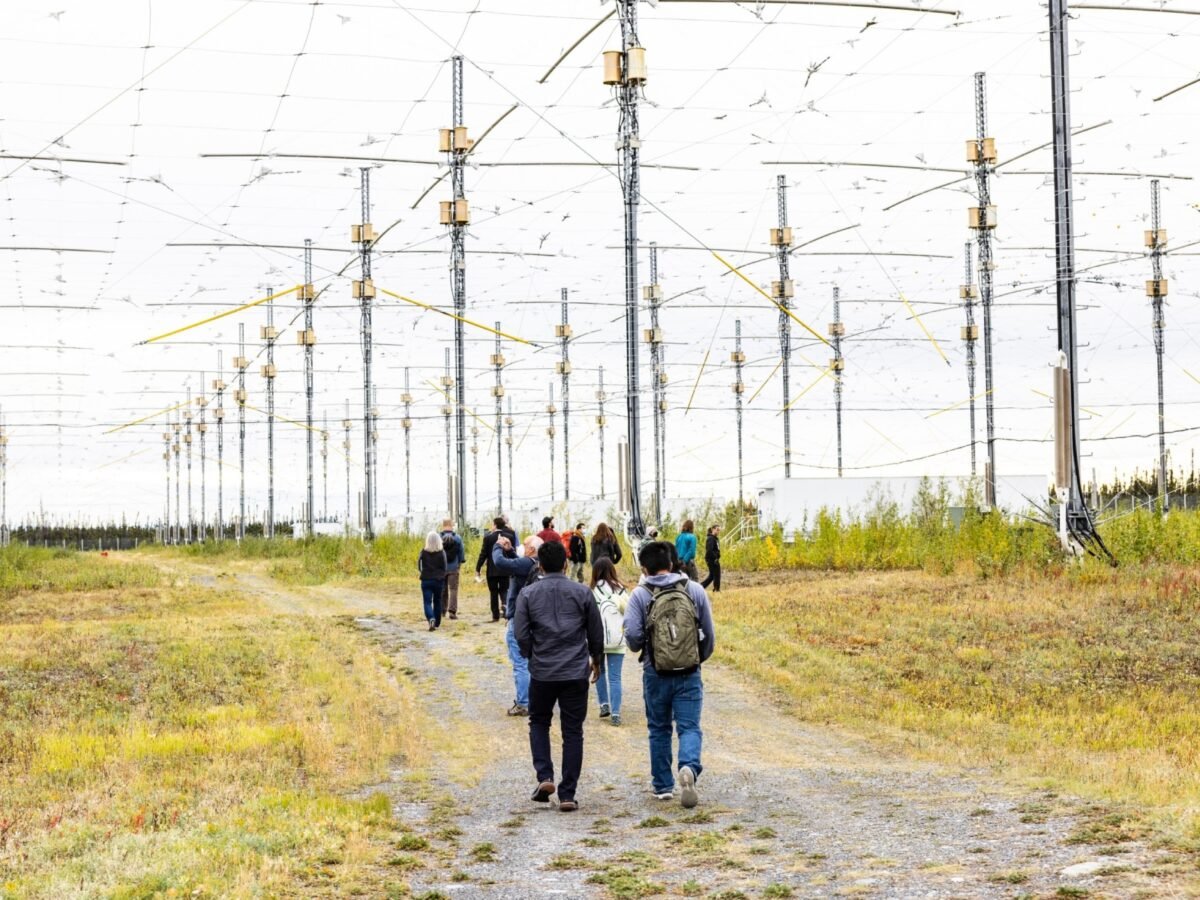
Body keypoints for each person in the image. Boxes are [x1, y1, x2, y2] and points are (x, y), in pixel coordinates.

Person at [624, 541, 715, 808]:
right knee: (689, 727)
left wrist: (642, 648)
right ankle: (688, 767)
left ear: (644, 568)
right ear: (672, 563)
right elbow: (709, 634)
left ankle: (663, 786)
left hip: (656, 672)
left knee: (659, 727)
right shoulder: (695, 590)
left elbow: (632, 635)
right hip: (689, 671)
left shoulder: (640, 595)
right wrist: (697, 658)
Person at [513, 540, 603, 812]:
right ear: (566, 563)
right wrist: (596, 660)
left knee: (539, 722)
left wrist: (532, 654)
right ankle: (568, 794)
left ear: (539, 564)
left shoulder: (528, 594)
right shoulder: (582, 593)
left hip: (542, 671)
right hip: (575, 670)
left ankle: (545, 776)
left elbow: (520, 633)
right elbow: (595, 632)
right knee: (573, 731)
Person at [492, 533, 543, 717]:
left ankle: (523, 703)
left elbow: (501, 563)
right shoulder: (535, 564)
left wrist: (497, 547)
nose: (522, 546)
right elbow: (517, 564)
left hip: (519, 620)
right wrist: (511, 550)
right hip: (532, 619)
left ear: (531, 549)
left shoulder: (527, 563)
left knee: (520, 662)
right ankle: (532, 699)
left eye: (525, 544)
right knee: (529, 661)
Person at [590, 558, 629, 725]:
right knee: (615, 677)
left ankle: (604, 704)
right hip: (617, 639)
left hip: (597, 638)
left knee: (599, 671)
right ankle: (616, 713)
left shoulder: (592, 590)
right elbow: (629, 612)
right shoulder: (620, 589)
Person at [476, 516, 517, 622]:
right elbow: (513, 551)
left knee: (493, 592)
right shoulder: (510, 536)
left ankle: (495, 615)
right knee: (504, 590)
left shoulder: (488, 537)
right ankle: (506, 608)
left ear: (495, 525)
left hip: (492, 570)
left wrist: (478, 568)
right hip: (506, 568)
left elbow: (483, 554)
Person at [417, 531, 448, 631]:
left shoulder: (423, 552)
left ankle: (431, 618)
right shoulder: (442, 552)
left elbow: (419, 566)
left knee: (427, 602)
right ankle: (437, 622)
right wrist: (442, 575)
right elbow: (445, 566)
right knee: (437, 601)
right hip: (438, 580)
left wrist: (423, 572)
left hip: (426, 579)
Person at [439, 519, 466, 620]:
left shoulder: (439, 537)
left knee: (442, 589)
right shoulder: (457, 538)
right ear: (451, 525)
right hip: (454, 567)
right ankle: (452, 612)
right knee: (453, 589)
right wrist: (460, 563)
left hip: (441, 567)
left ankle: (442, 611)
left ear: (443, 525)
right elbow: (461, 553)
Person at [700, 524, 721, 592]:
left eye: (719, 530)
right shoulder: (710, 538)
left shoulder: (715, 539)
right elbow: (709, 550)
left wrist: (718, 555)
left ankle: (701, 587)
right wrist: (715, 557)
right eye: (717, 530)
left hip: (714, 559)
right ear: (713, 529)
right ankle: (716, 589)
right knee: (716, 574)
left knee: (712, 575)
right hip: (711, 559)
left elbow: (716, 549)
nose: (718, 531)